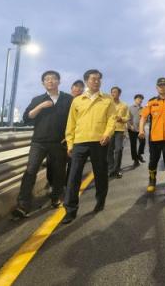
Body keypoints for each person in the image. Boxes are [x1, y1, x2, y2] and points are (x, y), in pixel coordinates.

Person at [12, 70, 72, 219]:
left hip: (59, 142)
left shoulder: (68, 99)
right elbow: (27, 118)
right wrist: (40, 107)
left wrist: (70, 138)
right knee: (30, 171)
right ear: (43, 83)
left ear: (59, 81)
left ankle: (56, 197)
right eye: (46, 79)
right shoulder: (37, 99)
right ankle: (23, 205)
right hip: (39, 141)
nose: (50, 81)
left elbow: (75, 120)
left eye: (53, 79)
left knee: (59, 171)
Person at [62, 69, 117, 224]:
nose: (97, 81)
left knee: (100, 174)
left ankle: (100, 201)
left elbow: (112, 119)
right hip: (79, 142)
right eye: (93, 79)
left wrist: (107, 134)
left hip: (99, 142)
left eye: (99, 79)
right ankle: (70, 210)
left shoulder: (107, 99)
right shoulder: (78, 100)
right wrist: (70, 142)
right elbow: (71, 123)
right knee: (73, 176)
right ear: (86, 81)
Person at [108, 86, 129, 179]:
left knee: (118, 150)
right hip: (109, 130)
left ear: (119, 94)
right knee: (109, 150)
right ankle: (110, 168)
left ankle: (117, 169)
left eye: (115, 92)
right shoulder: (107, 104)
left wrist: (122, 119)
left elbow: (127, 117)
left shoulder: (124, 105)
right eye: (112, 92)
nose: (113, 94)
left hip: (119, 130)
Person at [127, 94, 145, 166]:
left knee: (143, 142)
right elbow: (127, 118)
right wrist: (130, 126)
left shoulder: (143, 109)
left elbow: (145, 119)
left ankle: (139, 154)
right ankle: (135, 160)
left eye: (141, 99)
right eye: (138, 99)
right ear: (135, 99)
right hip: (132, 129)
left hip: (140, 130)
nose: (140, 100)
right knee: (133, 145)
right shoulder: (130, 108)